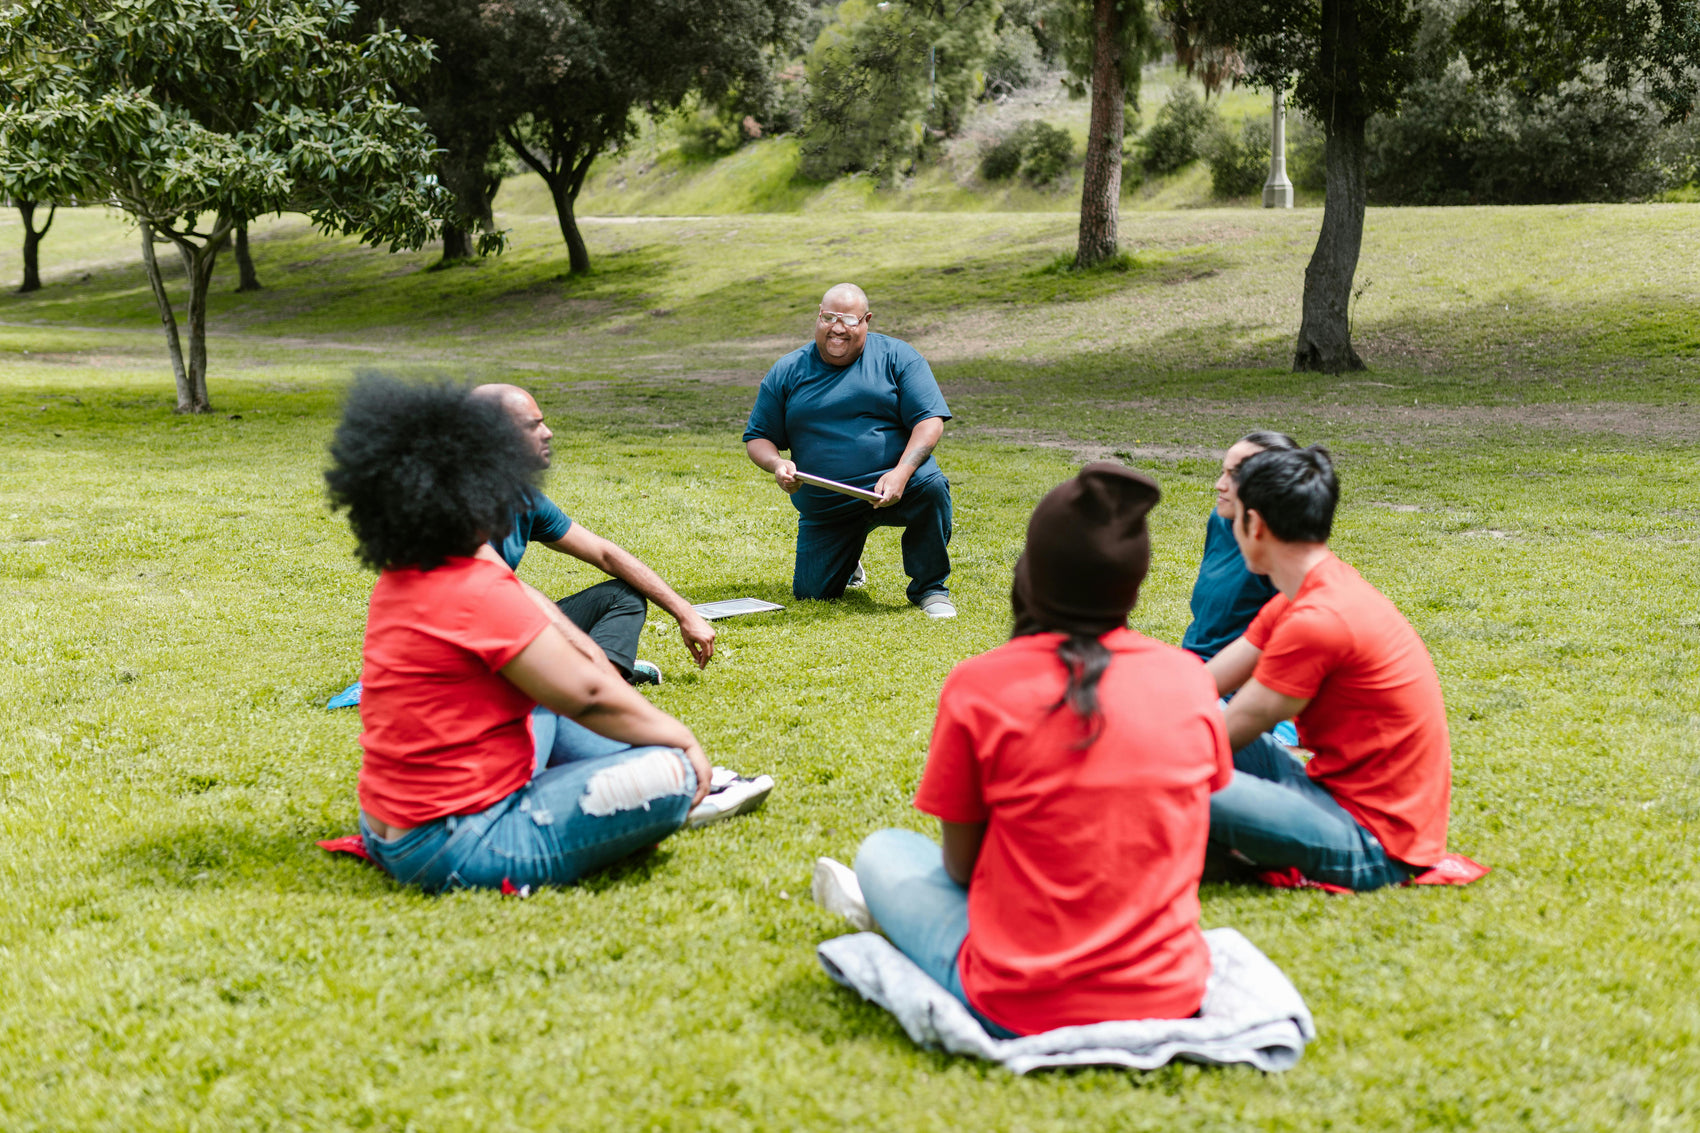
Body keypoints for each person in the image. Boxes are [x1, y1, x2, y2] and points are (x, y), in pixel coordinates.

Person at [813, 464, 1232, 1036]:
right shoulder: (1189, 679)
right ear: (1135, 583)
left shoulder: (981, 686)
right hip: (1168, 990)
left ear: (1032, 572)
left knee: (886, 852)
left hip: (1019, 999)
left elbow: (961, 868)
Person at [324, 375, 723, 892]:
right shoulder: (476, 587)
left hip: (388, 828)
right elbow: (587, 694)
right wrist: (683, 740)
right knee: (674, 772)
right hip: (457, 843)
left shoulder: (407, 571)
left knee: (551, 709)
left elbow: (570, 681)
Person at [1206, 445, 1452, 891]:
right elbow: (1203, 686)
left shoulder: (1318, 619)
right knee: (1172, 737)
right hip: (1326, 795)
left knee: (1172, 780)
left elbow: (1223, 735)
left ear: (1254, 524)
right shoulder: (1309, 591)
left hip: (1374, 845)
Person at [472, 383, 716, 685]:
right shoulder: (445, 504)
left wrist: (684, 611)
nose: (548, 433)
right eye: (534, 426)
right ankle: (595, 679)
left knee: (622, 596)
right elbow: (510, 591)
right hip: (464, 643)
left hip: (507, 627)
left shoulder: (523, 498)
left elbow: (605, 554)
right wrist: (592, 653)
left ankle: (599, 679)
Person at [743, 283, 957, 618]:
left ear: (866, 320)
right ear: (819, 315)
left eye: (849, 320)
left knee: (931, 487)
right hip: (828, 504)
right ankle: (847, 556)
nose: (838, 327)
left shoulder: (898, 357)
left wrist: (901, 473)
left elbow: (930, 422)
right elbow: (757, 437)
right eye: (829, 317)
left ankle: (930, 589)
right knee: (813, 594)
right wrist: (776, 463)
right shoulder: (788, 370)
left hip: (895, 485)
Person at [1182, 431, 1299, 661]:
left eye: (1235, 476)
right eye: (1223, 472)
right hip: (1191, 664)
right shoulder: (1221, 520)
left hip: (1232, 676)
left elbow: (1283, 647)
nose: (1219, 485)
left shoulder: (1286, 548)